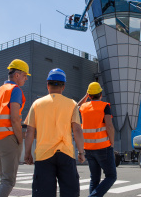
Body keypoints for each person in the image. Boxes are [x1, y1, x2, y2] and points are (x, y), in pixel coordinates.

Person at [24, 68, 85, 197]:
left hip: (43, 154)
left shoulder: (37, 104)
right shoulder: (72, 104)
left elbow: (29, 131)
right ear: (63, 86)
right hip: (66, 153)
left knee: (43, 193)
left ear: (47, 85)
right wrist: (81, 152)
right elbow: (77, 130)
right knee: (70, 192)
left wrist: (27, 152)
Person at [0, 59, 30, 197]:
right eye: (25, 76)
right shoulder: (15, 90)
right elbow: (15, 118)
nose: (25, 79)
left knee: (4, 180)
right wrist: (20, 139)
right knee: (8, 181)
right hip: (7, 138)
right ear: (17, 75)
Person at [78, 82, 117, 197]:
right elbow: (109, 126)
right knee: (111, 176)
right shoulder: (105, 106)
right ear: (101, 94)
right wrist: (112, 142)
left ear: (89, 95)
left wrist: (85, 96)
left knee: (94, 179)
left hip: (88, 148)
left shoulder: (84, 107)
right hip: (103, 147)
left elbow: (75, 107)